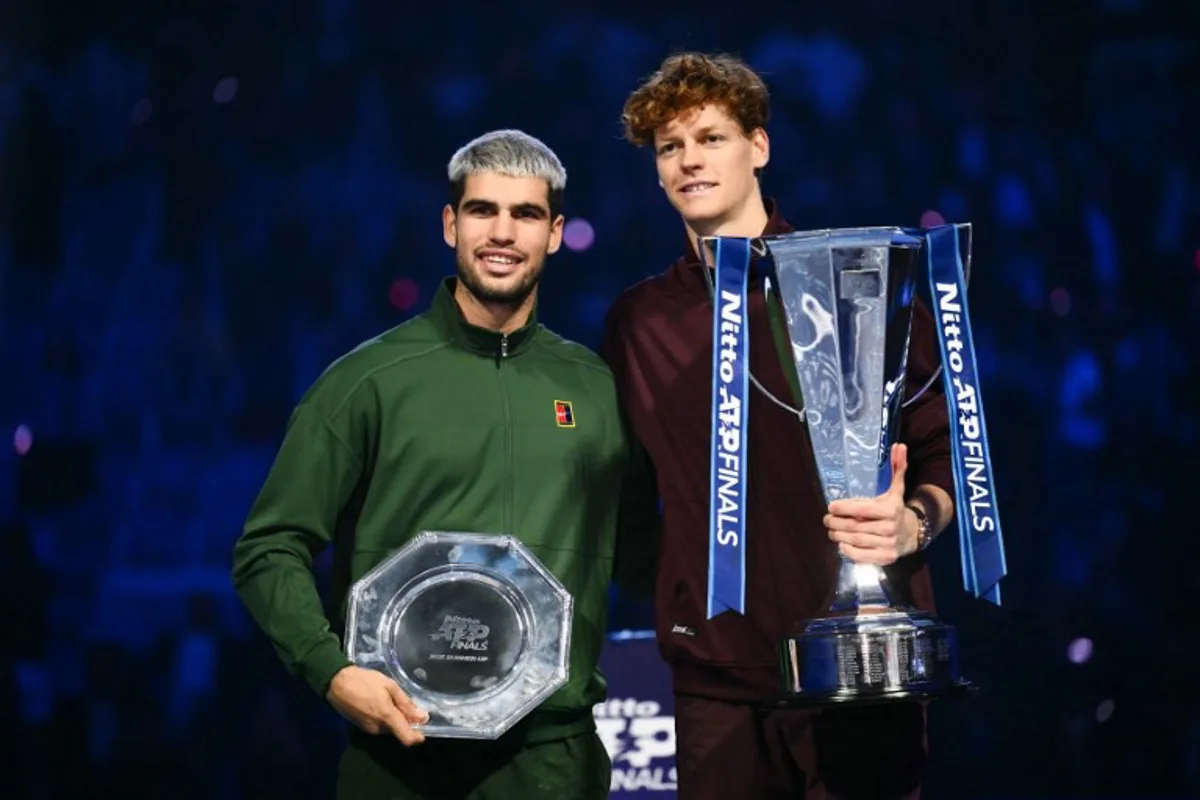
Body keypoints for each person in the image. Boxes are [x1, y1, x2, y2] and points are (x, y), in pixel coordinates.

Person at [232, 128, 655, 799]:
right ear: (450, 224)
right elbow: (269, 546)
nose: (503, 232)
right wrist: (332, 672)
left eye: (526, 214)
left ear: (554, 233)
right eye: (484, 210)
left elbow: (645, 556)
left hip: (551, 762)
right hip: (402, 757)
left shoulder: (596, 388)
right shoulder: (368, 381)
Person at [602, 52, 956, 800]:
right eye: (670, 148)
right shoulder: (639, 321)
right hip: (718, 678)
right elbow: (627, 489)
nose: (688, 161)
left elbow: (942, 452)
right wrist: (671, 591)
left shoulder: (857, 282)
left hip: (859, 667)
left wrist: (911, 526)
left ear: (758, 147)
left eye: (710, 138)